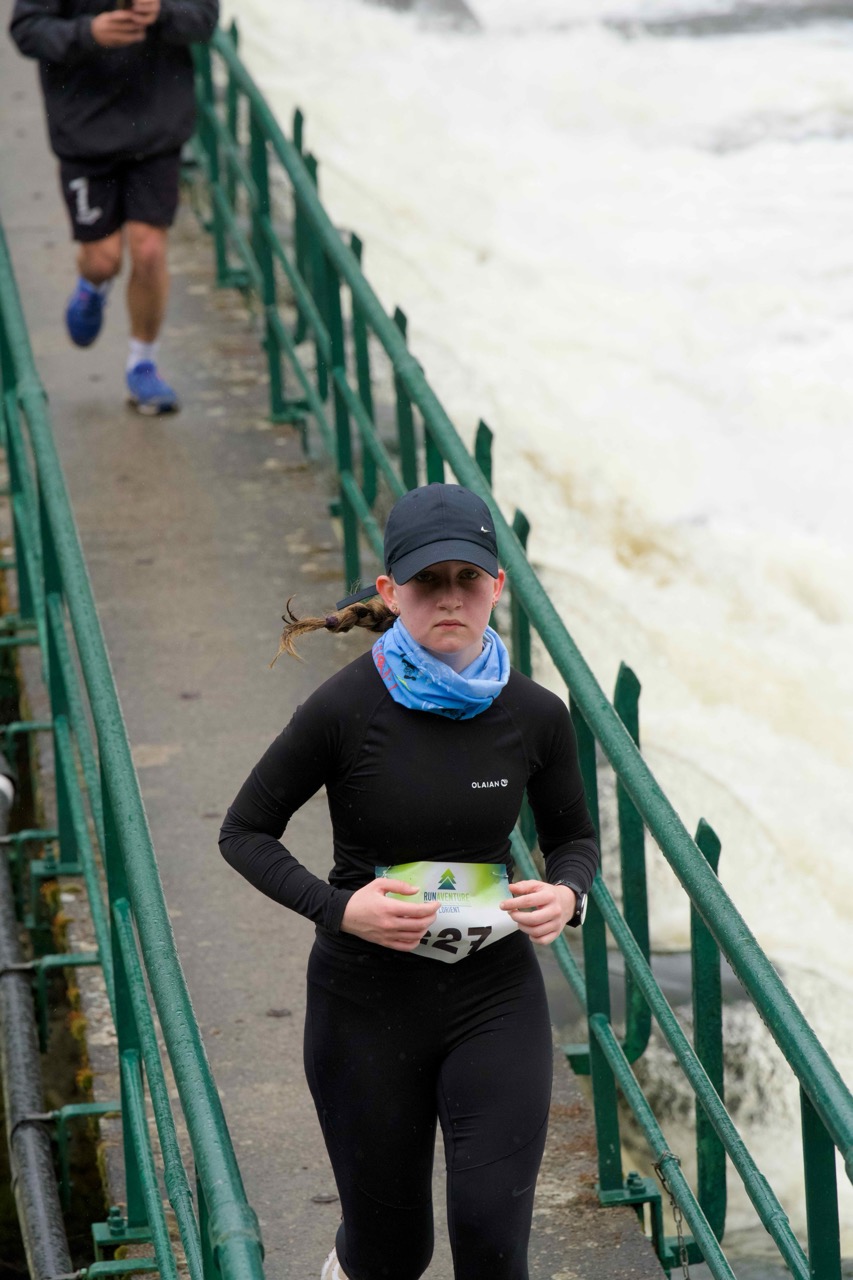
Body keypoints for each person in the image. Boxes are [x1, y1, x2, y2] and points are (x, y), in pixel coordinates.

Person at [219, 483, 599, 1280]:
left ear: (497, 587)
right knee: (392, 1252)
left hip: (493, 997)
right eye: (428, 581)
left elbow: (572, 840)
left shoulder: (536, 714)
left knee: (491, 1239)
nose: (450, 598)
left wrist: (567, 895)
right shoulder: (343, 709)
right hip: (364, 1004)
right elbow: (243, 832)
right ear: (390, 592)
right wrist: (339, 909)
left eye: (468, 579)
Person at [9, 0, 219, 415]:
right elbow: (26, 30)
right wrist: (88, 33)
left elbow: (205, 19)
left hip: (157, 128)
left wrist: (161, 13)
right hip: (84, 131)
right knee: (102, 259)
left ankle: (143, 364)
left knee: (149, 249)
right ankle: (93, 285)